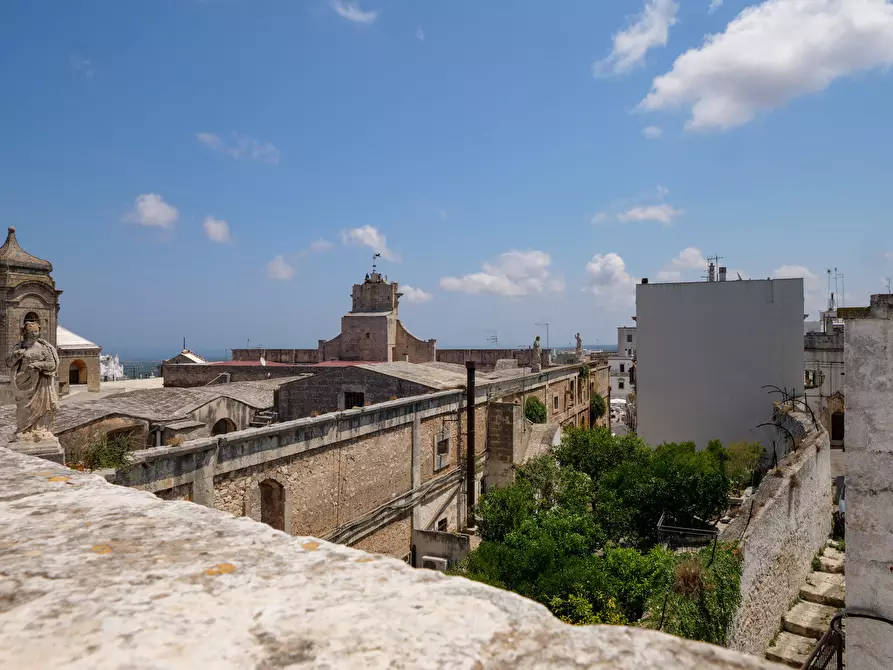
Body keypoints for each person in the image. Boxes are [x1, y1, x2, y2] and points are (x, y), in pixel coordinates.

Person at [6, 320, 60, 438]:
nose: (34, 334)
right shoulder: (19, 347)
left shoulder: (43, 348)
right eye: (32, 332)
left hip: (39, 383)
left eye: (36, 332)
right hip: (22, 381)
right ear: (26, 333)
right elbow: (9, 363)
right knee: (23, 408)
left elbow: (51, 364)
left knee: (40, 407)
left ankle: (40, 430)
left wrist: (37, 365)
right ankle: (23, 429)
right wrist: (17, 354)